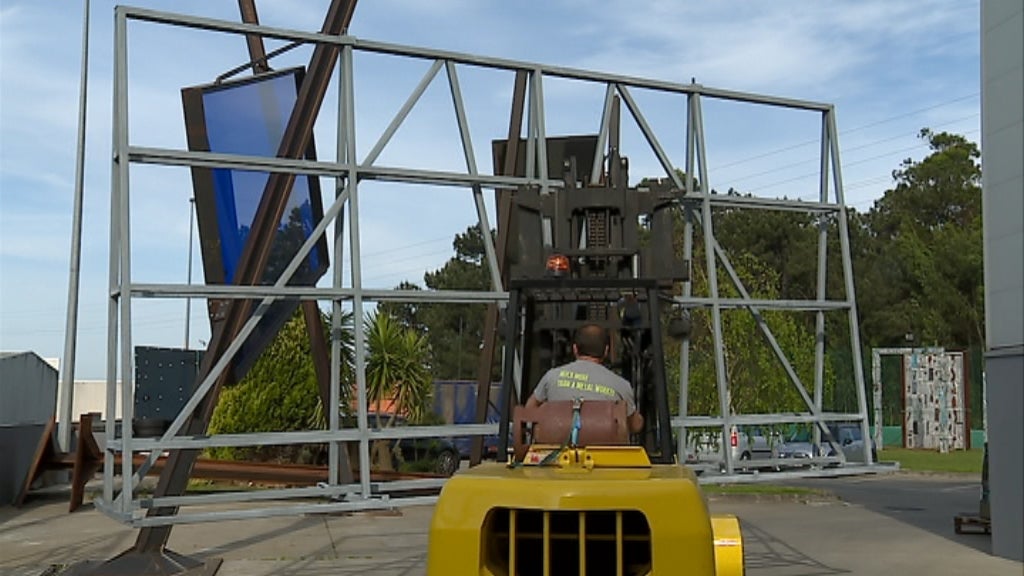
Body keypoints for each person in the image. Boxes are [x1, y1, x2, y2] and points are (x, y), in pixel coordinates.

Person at [525, 323, 644, 434]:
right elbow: (635, 425)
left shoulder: (551, 377)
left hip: (557, 452)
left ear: (575, 349)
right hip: (606, 454)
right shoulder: (621, 385)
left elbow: (529, 410)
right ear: (606, 351)